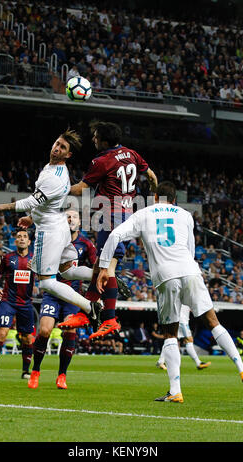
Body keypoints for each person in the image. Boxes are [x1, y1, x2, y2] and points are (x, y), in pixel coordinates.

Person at [96, 181, 243, 403]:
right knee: (214, 322)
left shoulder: (144, 213)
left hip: (166, 275)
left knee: (170, 334)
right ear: (174, 199)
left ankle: (175, 391)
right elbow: (191, 250)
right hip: (190, 271)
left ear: (155, 197)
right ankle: (242, 367)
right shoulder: (185, 215)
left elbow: (115, 235)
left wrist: (105, 268)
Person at [0, 130, 102, 340]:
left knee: (46, 282)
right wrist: (31, 218)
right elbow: (43, 203)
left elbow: (30, 201)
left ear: (68, 155)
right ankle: (100, 274)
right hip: (59, 225)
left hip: (50, 231)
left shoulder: (54, 177)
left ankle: (90, 307)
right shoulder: (53, 167)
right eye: (57, 143)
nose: (57, 148)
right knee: (67, 271)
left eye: (63, 147)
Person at [59, 121, 157, 339]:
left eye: (95, 137)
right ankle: (88, 311)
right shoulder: (131, 154)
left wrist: (58, 190)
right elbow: (151, 176)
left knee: (107, 269)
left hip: (109, 217)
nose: (93, 140)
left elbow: (81, 189)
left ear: (104, 141)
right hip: (127, 217)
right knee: (100, 266)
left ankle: (110, 318)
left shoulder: (101, 161)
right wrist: (154, 197)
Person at [28, 209, 97, 389]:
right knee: (44, 330)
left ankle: (62, 375)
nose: (70, 219)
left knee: (70, 331)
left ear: (80, 223)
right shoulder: (53, 238)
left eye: (74, 216)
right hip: (52, 293)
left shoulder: (86, 244)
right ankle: (35, 371)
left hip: (72, 296)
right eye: (67, 216)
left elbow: (96, 268)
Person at [0, 229, 34, 379]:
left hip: (26, 303)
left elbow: (43, 276)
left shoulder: (35, 259)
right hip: (9, 301)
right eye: (19, 236)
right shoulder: (7, 258)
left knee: (27, 337)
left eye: (24, 237)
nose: (21, 239)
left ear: (29, 242)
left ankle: (26, 372)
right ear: (15, 241)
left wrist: (36, 269)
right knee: (2, 332)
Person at [156, 304, 211, 370]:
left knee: (170, 339)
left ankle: (160, 361)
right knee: (189, 340)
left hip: (178, 319)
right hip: (182, 320)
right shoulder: (184, 295)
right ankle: (198, 363)